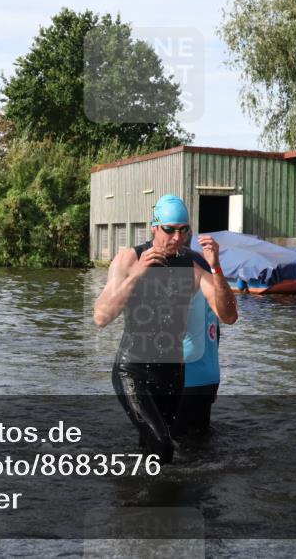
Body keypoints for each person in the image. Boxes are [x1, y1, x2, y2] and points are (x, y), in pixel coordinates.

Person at [93, 194, 237, 463]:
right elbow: (101, 316)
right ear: (154, 227)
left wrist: (216, 267)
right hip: (133, 370)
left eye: (183, 231)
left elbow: (228, 316)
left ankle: (140, 497)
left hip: (172, 374)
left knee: (153, 450)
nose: (177, 238)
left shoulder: (191, 266)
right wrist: (138, 274)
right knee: (163, 447)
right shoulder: (128, 259)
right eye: (169, 230)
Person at [172, 290, 222, 438]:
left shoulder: (180, 285)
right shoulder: (209, 287)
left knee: (172, 439)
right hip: (209, 376)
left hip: (186, 378)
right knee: (200, 439)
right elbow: (216, 334)